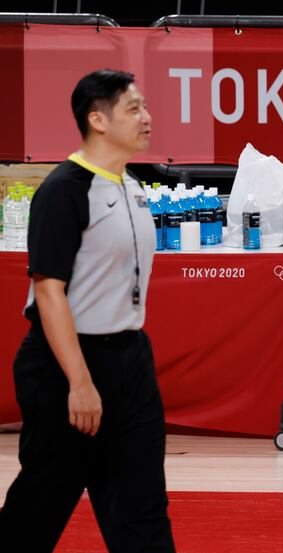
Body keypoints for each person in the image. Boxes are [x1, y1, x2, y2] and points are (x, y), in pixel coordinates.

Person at [0, 70, 175, 551]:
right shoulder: (63, 190)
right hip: (65, 364)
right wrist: (80, 382)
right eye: (133, 108)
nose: (147, 117)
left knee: (143, 503)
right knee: (42, 501)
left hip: (130, 360)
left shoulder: (133, 186)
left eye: (145, 106)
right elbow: (49, 292)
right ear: (97, 119)